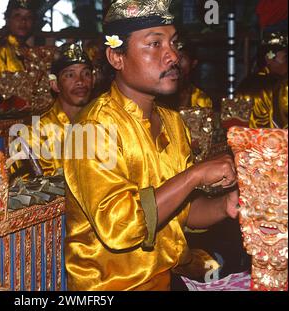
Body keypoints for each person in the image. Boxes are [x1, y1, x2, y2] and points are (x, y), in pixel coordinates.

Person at [62, 0, 240, 291]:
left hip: (168, 278)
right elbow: (120, 227)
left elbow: (183, 211)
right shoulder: (91, 129)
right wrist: (194, 175)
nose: (172, 56)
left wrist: (224, 205)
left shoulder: (172, 122)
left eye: (173, 43)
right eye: (154, 44)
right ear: (116, 57)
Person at [12, 41, 95, 178]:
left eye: (86, 74)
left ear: (94, 79)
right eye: (70, 75)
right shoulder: (35, 134)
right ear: (55, 85)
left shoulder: (103, 122)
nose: (80, 81)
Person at [236, 32, 288, 128]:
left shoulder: (246, 83)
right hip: (272, 140)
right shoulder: (280, 85)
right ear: (268, 58)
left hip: (245, 140)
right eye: (285, 58)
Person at [0, 0, 37, 86]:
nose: (23, 21)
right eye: (17, 16)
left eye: (29, 17)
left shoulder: (31, 52)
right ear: (8, 20)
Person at [159, 39, 213, 111]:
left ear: (193, 63)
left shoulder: (201, 99)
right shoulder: (158, 92)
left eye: (180, 58)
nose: (175, 63)